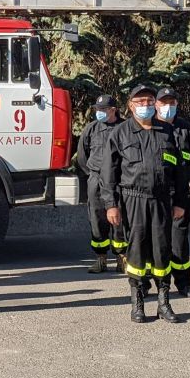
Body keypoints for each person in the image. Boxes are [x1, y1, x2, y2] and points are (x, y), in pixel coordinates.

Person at [102, 83, 190, 323]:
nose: (145, 106)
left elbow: (180, 171)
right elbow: (108, 173)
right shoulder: (120, 133)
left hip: (162, 200)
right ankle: (137, 302)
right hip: (133, 200)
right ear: (130, 105)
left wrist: (180, 201)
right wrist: (111, 204)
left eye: (149, 101)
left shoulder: (167, 132)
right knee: (136, 251)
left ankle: (164, 303)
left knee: (163, 250)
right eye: (140, 102)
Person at [157, 87, 190, 298]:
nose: (168, 106)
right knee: (154, 238)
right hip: (156, 193)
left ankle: (184, 282)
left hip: (180, 192)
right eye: (163, 102)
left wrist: (186, 183)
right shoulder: (151, 128)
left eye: (172, 102)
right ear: (156, 104)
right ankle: (151, 283)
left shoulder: (186, 128)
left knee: (179, 239)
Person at [76, 94, 127, 273]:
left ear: (113, 110)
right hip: (96, 179)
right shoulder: (91, 129)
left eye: (103, 109)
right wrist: (94, 175)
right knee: (97, 219)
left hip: (120, 180)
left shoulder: (125, 128)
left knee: (120, 220)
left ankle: (122, 258)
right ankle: (101, 259)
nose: (99, 112)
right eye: (98, 109)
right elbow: (82, 158)